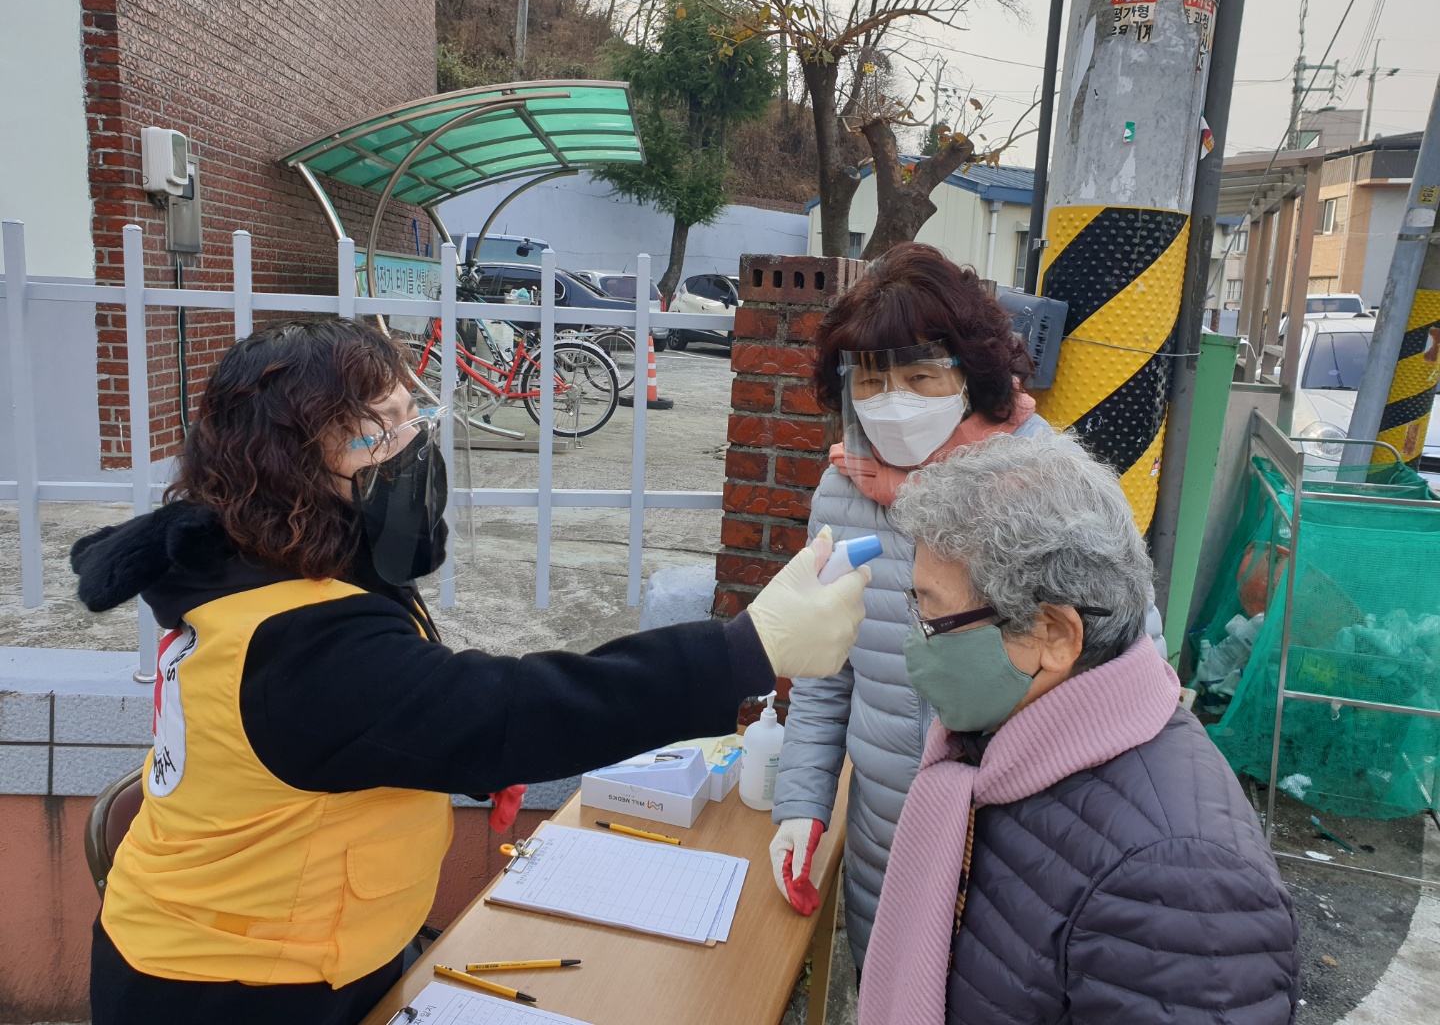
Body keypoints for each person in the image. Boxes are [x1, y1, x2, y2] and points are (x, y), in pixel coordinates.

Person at [75, 317, 869, 1025]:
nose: (410, 444)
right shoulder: (297, 644)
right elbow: (509, 709)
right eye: (379, 429)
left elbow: (398, 708)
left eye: (410, 415)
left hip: (303, 946)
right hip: (232, 989)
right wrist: (743, 651)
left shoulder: (260, 562)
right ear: (289, 464)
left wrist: (441, 744)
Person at [767, 242, 1165, 971]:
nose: (893, 401)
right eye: (871, 380)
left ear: (973, 375)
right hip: (886, 840)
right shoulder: (845, 490)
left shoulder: (1052, 484)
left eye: (921, 376)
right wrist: (801, 803)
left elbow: (1130, 675)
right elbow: (826, 674)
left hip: (1022, 850)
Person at [857, 431, 1300, 1024]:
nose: (915, 638)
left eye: (933, 613)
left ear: (1055, 635)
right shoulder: (1010, 750)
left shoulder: (1181, 882)